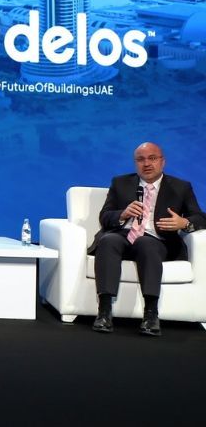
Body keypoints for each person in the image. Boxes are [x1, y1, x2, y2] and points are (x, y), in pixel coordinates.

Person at [89, 142, 205, 336]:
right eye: (141, 159)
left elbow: (200, 217)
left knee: (145, 243)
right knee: (108, 241)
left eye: (152, 158)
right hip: (123, 235)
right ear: (135, 163)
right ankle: (104, 312)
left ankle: (151, 314)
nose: (147, 164)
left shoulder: (180, 187)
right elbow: (105, 216)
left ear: (162, 162)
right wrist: (122, 214)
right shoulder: (120, 183)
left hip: (157, 239)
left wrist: (183, 222)